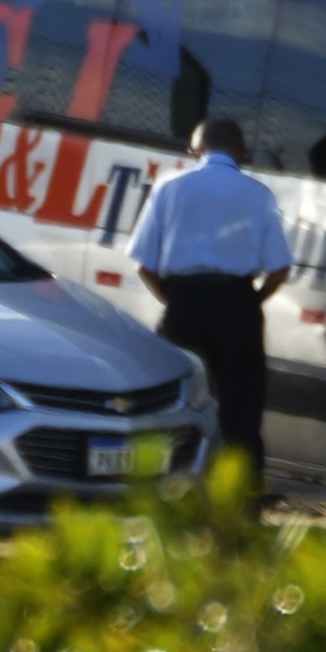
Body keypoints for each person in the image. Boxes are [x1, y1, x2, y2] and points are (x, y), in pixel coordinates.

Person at [128, 114, 292, 454]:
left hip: (184, 305)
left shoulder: (169, 187)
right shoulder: (259, 195)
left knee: (173, 402)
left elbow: (144, 262)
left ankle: (169, 488)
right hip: (238, 304)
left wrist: (171, 298)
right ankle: (239, 497)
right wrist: (251, 302)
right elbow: (279, 268)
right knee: (242, 409)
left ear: (195, 149)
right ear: (242, 151)